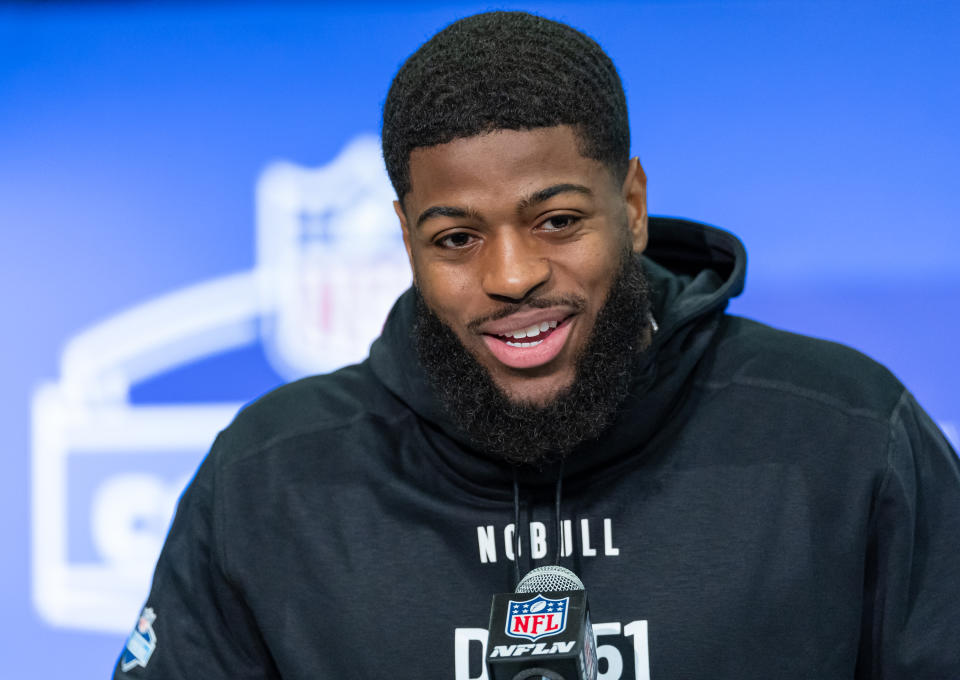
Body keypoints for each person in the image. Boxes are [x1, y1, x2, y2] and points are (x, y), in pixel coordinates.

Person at [113, 11, 960, 680]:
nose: (512, 275)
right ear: (407, 239)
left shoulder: (845, 434)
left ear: (631, 205)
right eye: (456, 238)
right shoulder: (270, 477)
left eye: (557, 221)